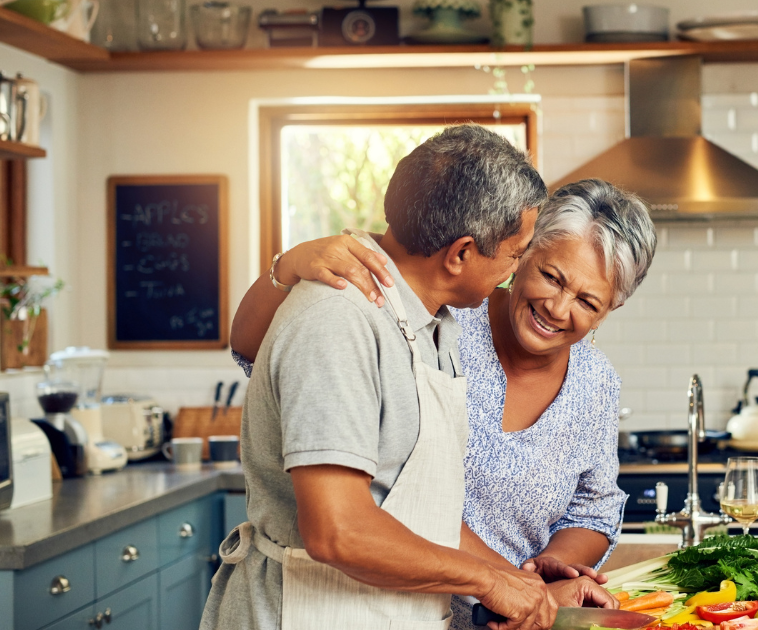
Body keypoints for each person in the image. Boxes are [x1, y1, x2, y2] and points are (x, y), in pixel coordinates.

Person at [201, 124, 603, 630]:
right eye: (517, 254)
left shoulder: (433, 326)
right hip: (304, 614)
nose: (515, 270)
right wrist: (488, 582)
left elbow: (416, 511)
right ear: (459, 254)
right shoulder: (338, 320)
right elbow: (338, 532)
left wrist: (530, 589)